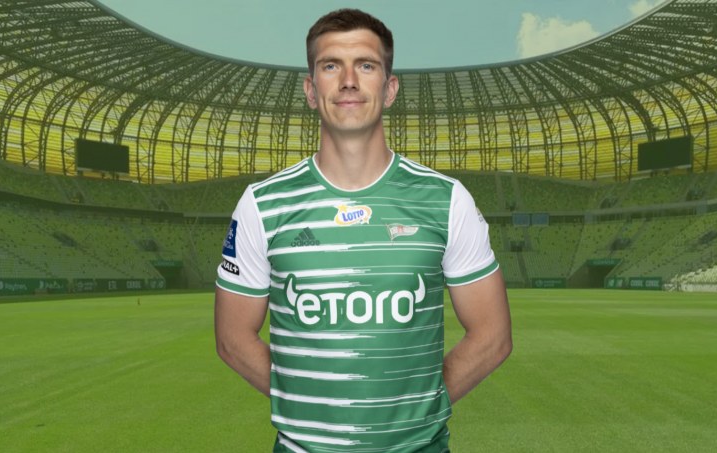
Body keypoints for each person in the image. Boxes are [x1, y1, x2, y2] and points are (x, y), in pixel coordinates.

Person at [215, 8, 512, 452]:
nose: (349, 81)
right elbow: (231, 338)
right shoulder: (262, 205)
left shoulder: (447, 200)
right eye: (331, 66)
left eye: (366, 66)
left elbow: (493, 336)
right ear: (311, 90)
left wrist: (418, 410)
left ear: (389, 89)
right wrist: (309, 410)